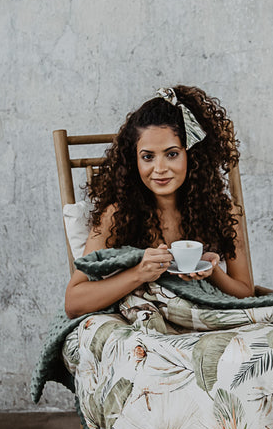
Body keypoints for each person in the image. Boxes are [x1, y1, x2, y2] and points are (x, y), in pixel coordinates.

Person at [65, 86, 255, 318]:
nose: (160, 168)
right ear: (134, 161)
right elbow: (73, 302)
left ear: (192, 155)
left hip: (205, 320)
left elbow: (246, 293)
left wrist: (210, 269)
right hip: (145, 323)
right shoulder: (118, 215)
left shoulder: (223, 212)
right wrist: (139, 273)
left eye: (172, 154)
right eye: (148, 157)